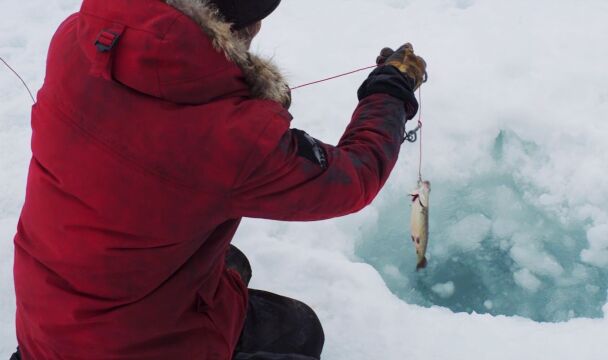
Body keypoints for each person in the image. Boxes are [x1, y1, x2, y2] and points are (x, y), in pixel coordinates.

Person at [11, 0, 427, 359]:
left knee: (231, 263)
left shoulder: (81, 41)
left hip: (45, 319)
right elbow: (352, 178)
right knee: (302, 329)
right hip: (136, 347)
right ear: (234, 26)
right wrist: (389, 92)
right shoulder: (231, 138)